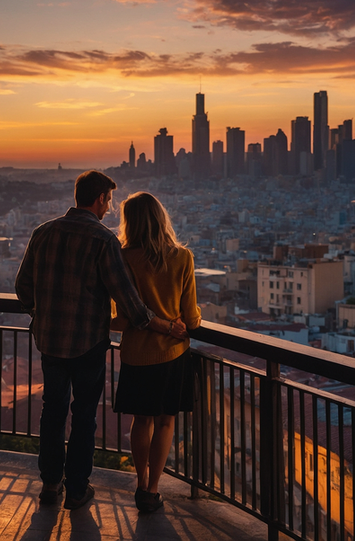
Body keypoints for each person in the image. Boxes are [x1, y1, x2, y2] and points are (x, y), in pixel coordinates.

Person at [15, 171, 183, 510]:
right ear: (99, 199)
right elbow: (131, 303)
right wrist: (165, 326)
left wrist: (42, 314)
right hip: (88, 343)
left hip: (49, 341)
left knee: (52, 411)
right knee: (84, 415)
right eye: (108, 200)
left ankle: (50, 484)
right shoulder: (103, 241)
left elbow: (22, 289)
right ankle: (77, 489)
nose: (110, 208)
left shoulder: (43, 233)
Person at [111, 192, 201, 513]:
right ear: (161, 218)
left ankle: (138, 481)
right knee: (165, 422)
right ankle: (152, 489)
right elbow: (190, 319)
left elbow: (120, 319)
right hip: (173, 353)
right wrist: (189, 320)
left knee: (141, 420)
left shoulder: (122, 258)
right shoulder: (181, 257)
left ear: (130, 222)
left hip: (136, 354)